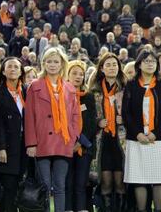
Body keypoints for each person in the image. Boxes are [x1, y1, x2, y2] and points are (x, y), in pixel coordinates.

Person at [25, 47, 80, 212]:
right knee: (45, 186)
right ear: (43, 64)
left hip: (63, 142)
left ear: (62, 64)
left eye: (56, 61)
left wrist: (73, 137)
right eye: (49, 61)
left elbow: (76, 116)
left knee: (60, 185)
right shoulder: (34, 86)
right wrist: (31, 144)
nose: (53, 65)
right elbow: (29, 118)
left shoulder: (70, 88)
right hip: (42, 142)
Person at [122, 50, 161, 212]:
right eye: (146, 61)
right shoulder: (131, 85)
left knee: (159, 178)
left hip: (158, 138)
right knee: (139, 179)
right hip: (136, 139)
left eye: (153, 61)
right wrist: (137, 133)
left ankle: (158, 209)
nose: (150, 63)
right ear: (139, 64)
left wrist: (155, 133)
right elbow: (126, 113)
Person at [90, 53, 127, 212]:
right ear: (102, 69)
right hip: (103, 141)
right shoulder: (94, 91)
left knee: (120, 182)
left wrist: (123, 119)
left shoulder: (126, 88)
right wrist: (98, 122)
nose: (112, 67)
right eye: (108, 65)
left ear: (119, 68)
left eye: (114, 64)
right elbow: (87, 117)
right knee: (105, 182)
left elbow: (135, 113)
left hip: (121, 140)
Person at [0, 57, 27, 212]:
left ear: (21, 71)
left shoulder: (26, 92)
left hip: (24, 147)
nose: (13, 69)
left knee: (18, 189)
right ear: (3, 71)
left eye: (16, 67)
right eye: (9, 66)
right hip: (6, 148)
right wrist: (1, 147)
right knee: (7, 189)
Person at [65, 60, 97, 212]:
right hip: (65, 147)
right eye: (74, 73)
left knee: (81, 184)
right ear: (67, 75)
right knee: (68, 183)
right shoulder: (61, 95)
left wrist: (80, 143)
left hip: (84, 147)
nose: (78, 77)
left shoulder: (88, 97)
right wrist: (70, 143)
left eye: (81, 74)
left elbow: (91, 124)